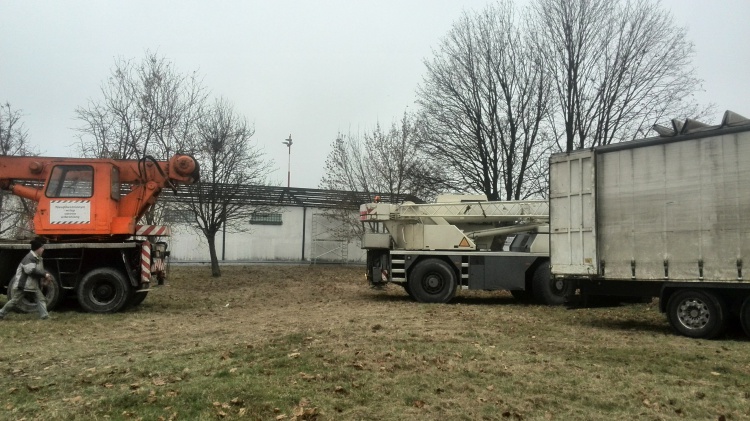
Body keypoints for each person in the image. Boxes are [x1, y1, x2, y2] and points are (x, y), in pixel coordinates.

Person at [0, 237, 53, 320]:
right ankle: (1, 313)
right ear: (37, 249)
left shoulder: (36, 257)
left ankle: (45, 316)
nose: (43, 249)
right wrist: (44, 274)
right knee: (15, 301)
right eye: (42, 248)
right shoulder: (29, 258)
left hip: (32, 285)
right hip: (25, 284)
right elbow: (30, 270)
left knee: (41, 299)